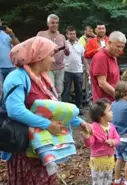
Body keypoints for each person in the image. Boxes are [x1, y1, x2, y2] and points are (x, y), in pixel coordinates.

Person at [2, 36, 91, 185]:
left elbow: (55, 108)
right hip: (24, 148)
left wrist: (80, 122)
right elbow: (15, 110)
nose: (53, 60)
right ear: (39, 57)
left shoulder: (43, 78)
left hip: (42, 146)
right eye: (50, 55)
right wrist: (48, 125)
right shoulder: (17, 77)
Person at [83, 98, 120, 185]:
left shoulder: (112, 126)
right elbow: (90, 144)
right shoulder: (93, 128)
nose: (112, 112)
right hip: (97, 161)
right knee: (98, 182)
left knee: (108, 180)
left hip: (109, 160)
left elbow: (118, 138)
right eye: (110, 110)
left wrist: (113, 142)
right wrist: (87, 136)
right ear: (101, 115)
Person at [37, 14, 70, 98]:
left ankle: (58, 107)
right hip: (47, 68)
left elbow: (67, 53)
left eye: (57, 23)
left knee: (59, 90)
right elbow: (36, 49)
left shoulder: (62, 36)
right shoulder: (41, 34)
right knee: (50, 89)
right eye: (52, 23)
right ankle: (50, 108)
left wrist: (67, 50)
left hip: (60, 68)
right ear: (48, 24)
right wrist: (49, 51)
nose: (55, 25)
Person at [89, 31, 126, 103]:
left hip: (113, 101)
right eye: (118, 46)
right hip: (104, 105)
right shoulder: (101, 57)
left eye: (122, 47)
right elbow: (102, 83)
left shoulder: (113, 56)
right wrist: (119, 97)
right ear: (109, 43)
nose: (120, 50)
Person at [62, 26, 86, 113]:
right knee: (66, 90)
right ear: (67, 35)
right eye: (70, 34)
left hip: (78, 70)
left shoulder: (80, 45)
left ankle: (78, 108)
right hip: (67, 70)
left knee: (79, 90)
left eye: (74, 34)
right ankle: (65, 108)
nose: (73, 35)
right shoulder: (64, 45)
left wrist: (85, 67)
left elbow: (83, 57)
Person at [0, 16, 20, 94]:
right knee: (0, 91)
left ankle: (6, 106)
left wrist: (11, 34)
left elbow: (18, 45)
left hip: (11, 66)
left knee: (11, 90)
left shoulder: (7, 34)